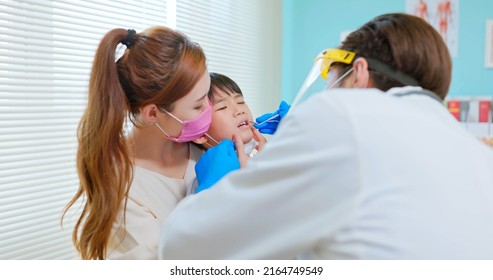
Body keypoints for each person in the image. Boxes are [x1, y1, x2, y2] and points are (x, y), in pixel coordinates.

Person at [158, 13, 493, 259]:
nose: (328, 88)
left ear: (358, 72)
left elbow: (183, 248)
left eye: (331, 76)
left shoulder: (345, 116)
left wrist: (214, 190)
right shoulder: (477, 155)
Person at [62, 26, 211, 259]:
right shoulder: (122, 188)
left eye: (208, 98)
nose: (208, 111)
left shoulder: (204, 145)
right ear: (153, 114)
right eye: (198, 106)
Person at [194, 72, 265, 158]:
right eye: (223, 107)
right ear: (200, 134)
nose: (239, 110)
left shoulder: (264, 151)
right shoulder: (212, 170)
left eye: (240, 102)